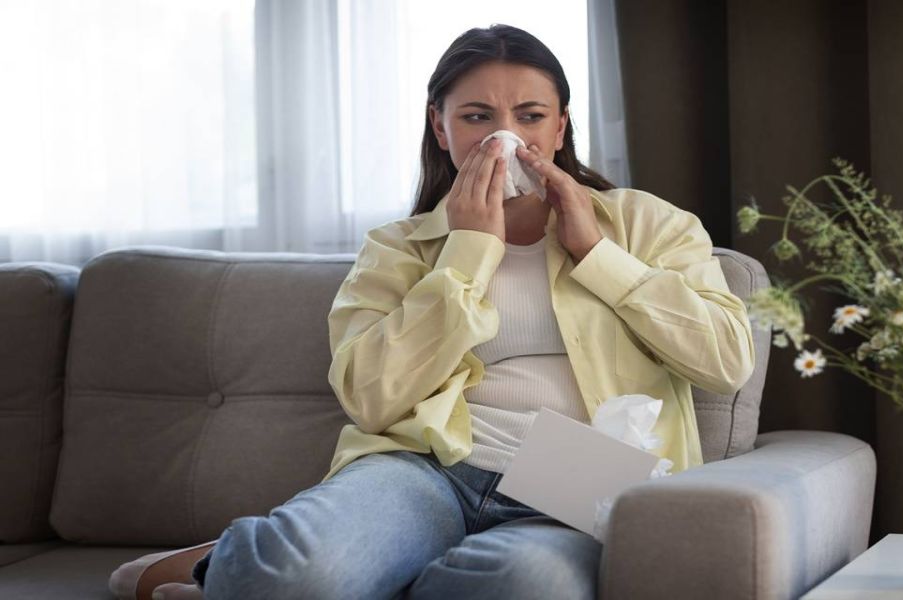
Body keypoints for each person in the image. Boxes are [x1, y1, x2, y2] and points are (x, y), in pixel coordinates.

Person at [109, 23, 754, 600]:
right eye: (477, 116)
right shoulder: (398, 247)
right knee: (289, 577)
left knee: (524, 584)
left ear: (559, 128)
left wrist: (595, 251)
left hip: (577, 487)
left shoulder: (646, 224)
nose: (507, 138)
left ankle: (367, 573)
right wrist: (469, 254)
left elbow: (725, 361)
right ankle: (249, 564)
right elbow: (371, 397)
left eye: (530, 116)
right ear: (441, 128)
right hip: (429, 468)